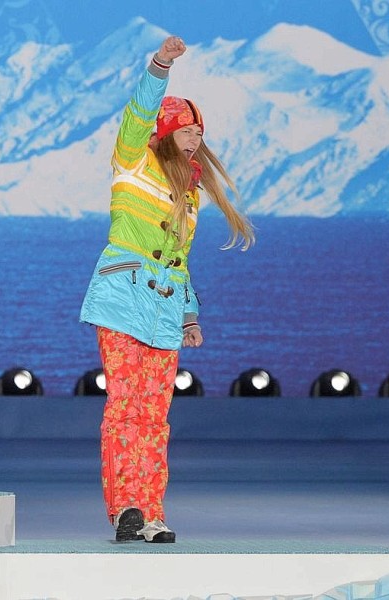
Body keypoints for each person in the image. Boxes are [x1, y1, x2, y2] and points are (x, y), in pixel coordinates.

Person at [79, 36, 254, 542]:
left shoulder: (190, 193)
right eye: (186, 128)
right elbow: (138, 113)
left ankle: (152, 513)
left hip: (164, 313)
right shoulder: (132, 161)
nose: (195, 138)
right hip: (121, 303)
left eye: (200, 131)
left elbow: (179, 264)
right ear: (166, 131)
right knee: (125, 407)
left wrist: (190, 315)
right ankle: (125, 509)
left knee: (155, 416)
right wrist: (159, 67)